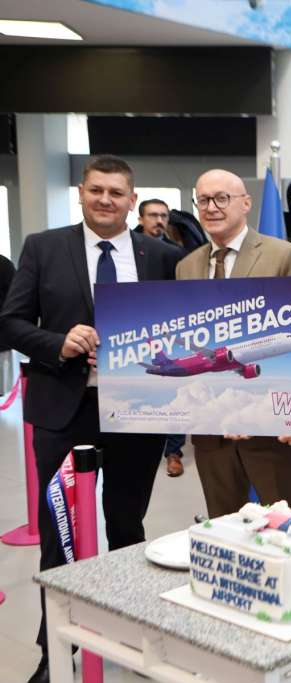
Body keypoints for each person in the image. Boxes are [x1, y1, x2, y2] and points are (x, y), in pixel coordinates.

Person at [0, 155, 181, 683]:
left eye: (116, 192)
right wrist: (58, 343)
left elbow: (182, 323)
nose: (105, 199)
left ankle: (129, 635)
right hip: (63, 408)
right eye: (96, 190)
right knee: (60, 533)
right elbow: (11, 322)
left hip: (137, 411)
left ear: (132, 200)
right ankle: (55, 649)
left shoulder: (163, 257)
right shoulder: (43, 247)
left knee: (126, 526)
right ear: (81, 193)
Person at [175, 169, 291, 517]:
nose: (211, 207)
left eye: (222, 198)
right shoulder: (186, 266)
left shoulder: (284, 255)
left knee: (285, 526)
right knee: (224, 527)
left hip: (271, 430)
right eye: (203, 200)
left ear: (246, 203)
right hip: (210, 431)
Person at [134, 198, 188, 475]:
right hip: (134, 328)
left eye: (164, 216)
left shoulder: (175, 253)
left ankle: (174, 452)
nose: (159, 221)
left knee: (175, 388)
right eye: (153, 215)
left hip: (169, 329)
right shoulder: (126, 248)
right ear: (140, 218)